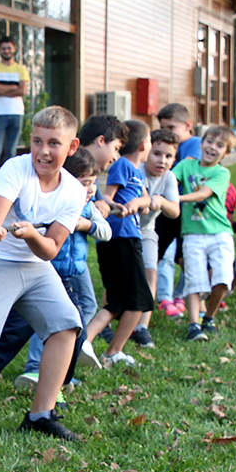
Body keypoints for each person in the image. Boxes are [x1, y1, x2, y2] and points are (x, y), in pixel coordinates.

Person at [0, 105, 87, 440]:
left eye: (53, 143)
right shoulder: (15, 168)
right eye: (36, 142)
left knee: (66, 324)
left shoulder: (75, 191)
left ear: (72, 147)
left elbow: (50, 249)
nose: (43, 152)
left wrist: (32, 234)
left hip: (35, 264)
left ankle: (40, 414)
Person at [17, 150, 110, 384]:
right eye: (84, 183)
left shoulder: (89, 208)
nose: (89, 189)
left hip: (78, 269)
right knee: (52, 318)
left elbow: (106, 232)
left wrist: (86, 225)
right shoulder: (58, 203)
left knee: (88, 305)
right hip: (51, 268)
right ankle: (36, 366)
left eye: (93, 183)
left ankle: (74, 346)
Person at [81, 119, 156, 366]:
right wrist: (120, 206)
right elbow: (109, 198)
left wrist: (137, 204)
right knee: (140, 300)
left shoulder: (136, 173)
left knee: (117, 302)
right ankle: (112, 351)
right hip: (120, 238)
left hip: (128, 237)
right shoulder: (123, 165)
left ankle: (88, 343)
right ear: (145, 145)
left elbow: (146, 199)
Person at [174, 123, 236, 341]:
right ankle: (193, 325)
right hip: (192, 233)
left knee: (222, 278)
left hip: (220, 233)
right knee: (194, 279)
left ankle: (209, 316)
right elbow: (169, 181)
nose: (212, 147)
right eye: (209, 141)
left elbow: (202, 194)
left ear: (226, 153)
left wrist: (174, 199)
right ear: (201, 143)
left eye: (219, 145)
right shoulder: (185, 166)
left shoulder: (221, 173)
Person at [130, 129, 182, 347]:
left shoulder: (169, 178)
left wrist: (159, 200)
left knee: (151, 274)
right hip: (126, 231)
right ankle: (108, 319)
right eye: (157, 153)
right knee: (121, 277)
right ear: (147, 151)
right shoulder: (136, 171)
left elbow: (175, 211)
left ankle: (142, 326)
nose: (162, 160)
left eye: (168, 156)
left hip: (148, 231)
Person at [154, 103, 200, 318]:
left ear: (187, 125)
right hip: (166, 210)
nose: (167, 133)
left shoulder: (193, 144)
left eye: (171, 128)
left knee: (186, 256)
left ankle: (181, 294)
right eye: (163, 128)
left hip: (188, 211)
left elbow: (184, 168)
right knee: (164, 254)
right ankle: (164, 296)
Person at [0, 35, 29, 186]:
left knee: (11, 150)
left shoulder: (21, 69)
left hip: (17, 113)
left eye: (9, 48)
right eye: (3, 48)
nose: (6, 51)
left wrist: (3, 89)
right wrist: (13, 87)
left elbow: (22, 91)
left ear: (14, 49)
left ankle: (8, 183)